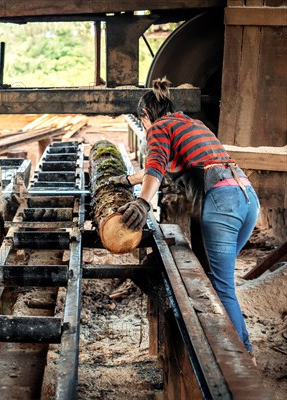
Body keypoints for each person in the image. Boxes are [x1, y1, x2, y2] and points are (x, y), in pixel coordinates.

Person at [113, 78, 260, 358]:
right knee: (215, 276)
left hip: (221, 203)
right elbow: (163, 169)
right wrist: (127, 179)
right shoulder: (192, 124)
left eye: (143, 122)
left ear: (145, 116)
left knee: (220, 284)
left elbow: (155, 166)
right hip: (247, 199)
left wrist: (142, 202)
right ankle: (226, 343)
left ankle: (242, 356)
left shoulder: (157, 128)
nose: (145, 129)